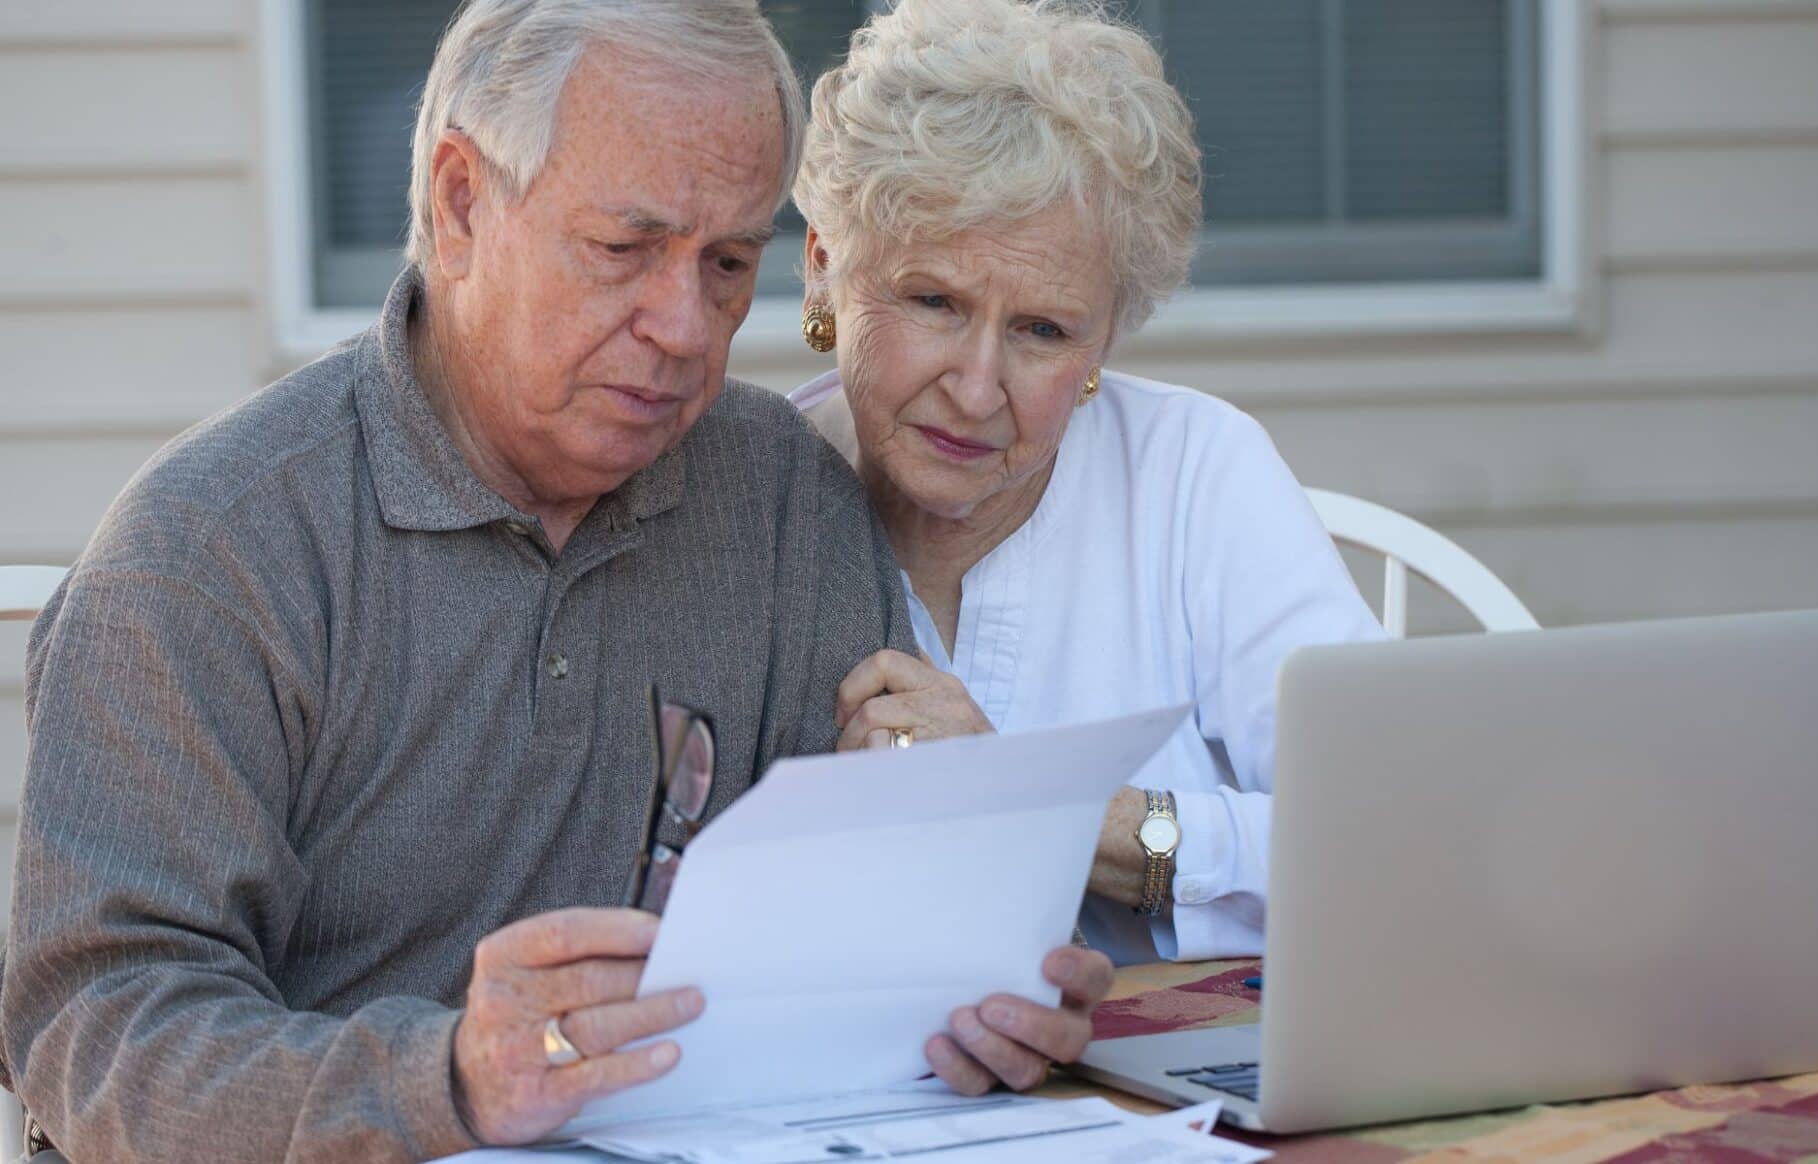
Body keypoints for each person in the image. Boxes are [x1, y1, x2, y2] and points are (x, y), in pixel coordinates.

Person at [0, 3, 1110, 1159]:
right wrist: (450, 1082)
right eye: (624, 250)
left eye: (728, 263)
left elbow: (850, 946)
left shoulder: (781, 496)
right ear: (463, 202)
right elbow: (95, 1032)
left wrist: (973, 992)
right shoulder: (210, 552)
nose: (684, 326)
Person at [790, 0, 1384, 967]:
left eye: (1044, 330)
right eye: (934, 301)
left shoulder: (1195, 473)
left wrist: (1034, 805)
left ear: (1105, 341)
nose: (978, 388)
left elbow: (1390, 827)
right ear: (825, 272)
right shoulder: (740, 509)